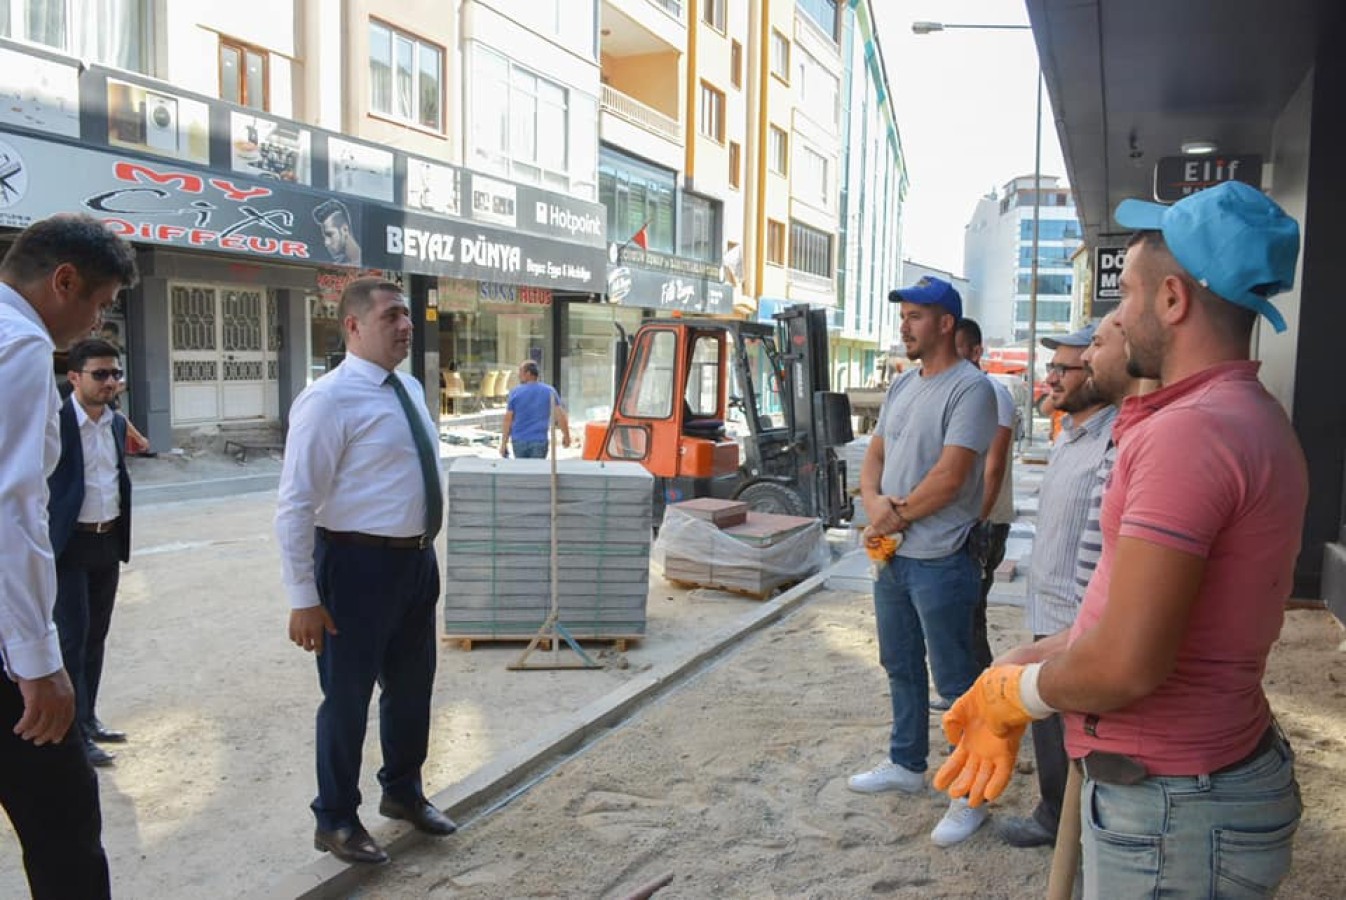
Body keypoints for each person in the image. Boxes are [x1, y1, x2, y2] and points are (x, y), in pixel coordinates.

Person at [935, 181, 1307, 897]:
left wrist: (1021, 692)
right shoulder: (1235, 415)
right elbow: (1124, 619)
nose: (1117, 315)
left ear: (1172, 300)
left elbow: (1128, 664)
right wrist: (1020, 661)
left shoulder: (1192, 433)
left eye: (1126, 294)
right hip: (1188, 792)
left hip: (1174, 806)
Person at [276, 277, 455, 865]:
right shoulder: (327, 400)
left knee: (411, 689)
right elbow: (295, 505)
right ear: (352, 326)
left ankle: (402, 791)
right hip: (355, 568)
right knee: (347, 698)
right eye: (391, 316)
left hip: (415, 562)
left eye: (407, 315)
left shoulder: (408, 387)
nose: (406, 326)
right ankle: (335, 818)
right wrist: (304, 597)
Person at [0, 213, 137, 899]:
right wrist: (37, 661)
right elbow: (12, 508)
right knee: (64, 824)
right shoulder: (20, 344)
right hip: (6, 644)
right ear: (63, 281)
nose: (96, 322)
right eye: (99, 302)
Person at [848, 275, 998, 847]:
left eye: (915, 316)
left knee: (957, 681)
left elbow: (951, 476)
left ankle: (969, 795)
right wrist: (873, 504)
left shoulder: (971, 390)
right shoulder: (902, 386)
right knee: (900, 664)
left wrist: (892, 517)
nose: (905, 326)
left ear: (945, 324)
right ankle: (907, 762)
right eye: (903, 315)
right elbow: (876, 455)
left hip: (942, 558)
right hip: (895, 557)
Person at [989, 322, 1119, 849]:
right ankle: (1053, 812)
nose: (1052, 378)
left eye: (1066, 368)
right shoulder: (1069, 436)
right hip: (1049, 609)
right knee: (1049, 728)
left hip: (1078, 619)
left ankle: (1070, 827)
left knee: (1078, 732)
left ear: (1097, 372)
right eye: (1052, 367)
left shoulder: (1113, 441)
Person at [49, 338, 135, 769]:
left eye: (115, 374)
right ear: (74, 377)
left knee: (95, 637)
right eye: (100, 374)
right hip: (69, 545)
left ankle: (88, 718)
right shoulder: (54, 422)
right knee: (72, 638)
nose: (110, 382)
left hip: (106, 540)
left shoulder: (115, 423)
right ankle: (73, 736)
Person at [953, 317, 1016, 676]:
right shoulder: (961, 394)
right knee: (958, 611)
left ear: (977, 351)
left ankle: (977, 686)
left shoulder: (993, 394)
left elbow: (993, 467)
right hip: (968, 520)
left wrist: (977, 521)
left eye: (957, 349)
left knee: (969, 611)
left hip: (984, 521)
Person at [499, 359, 570, 459]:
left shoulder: (515, 392)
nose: (519, 375)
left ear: (528, 373)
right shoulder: (549, 391)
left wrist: (504, 443)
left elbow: (508, 420)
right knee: (537, 468)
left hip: (519, 441)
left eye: (521, 372)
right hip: (539, 441)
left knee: (522, 468)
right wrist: (566, 436)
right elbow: (560, 416)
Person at [312, 199, 362, 266]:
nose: (326, 243)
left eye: (330, 235)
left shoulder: (370, 260)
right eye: (324, 237)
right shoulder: (335, 266)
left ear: (345, 230)